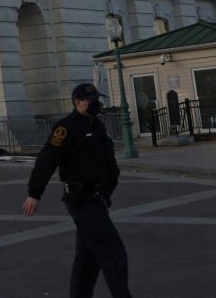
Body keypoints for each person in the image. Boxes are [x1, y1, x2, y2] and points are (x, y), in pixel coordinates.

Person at [23, 83, 132, 298]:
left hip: (98, 199)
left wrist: (109, 186)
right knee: (114, 253)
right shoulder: (66, 128)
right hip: (82, 200)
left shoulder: (97, 126)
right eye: (91, 100)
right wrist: (34, 193)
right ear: (78, 102)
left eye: (97, 100)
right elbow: (46, 160)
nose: (96, 104)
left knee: (88, 259)